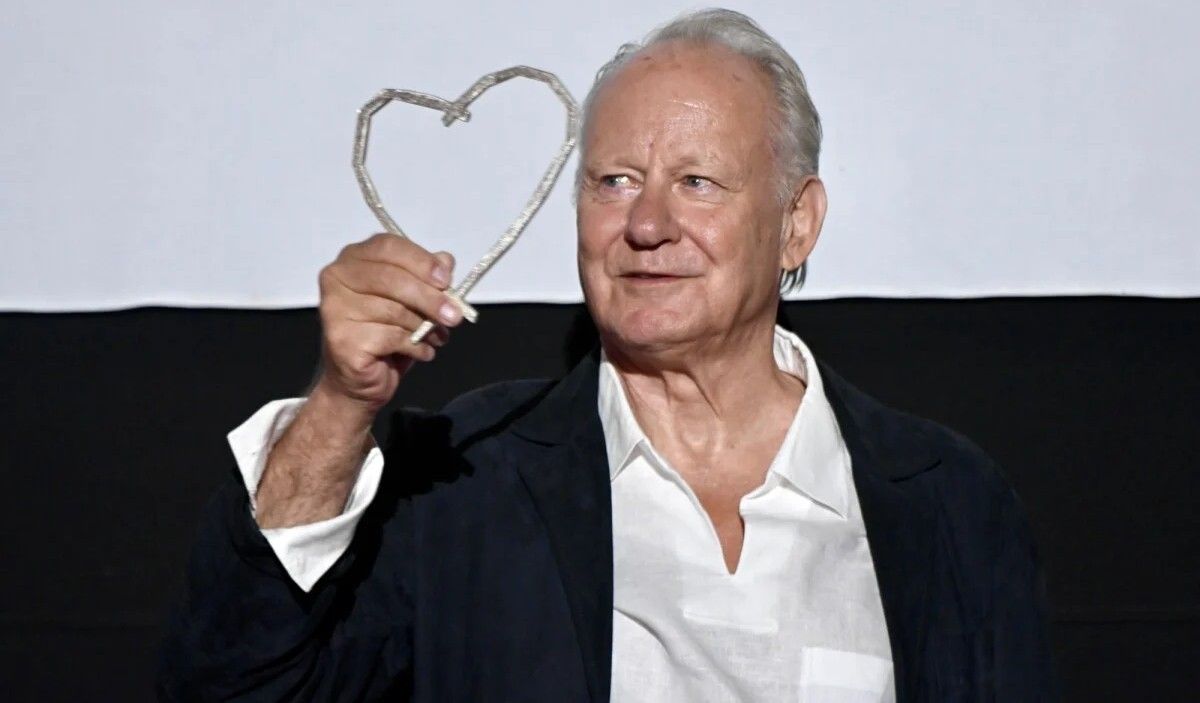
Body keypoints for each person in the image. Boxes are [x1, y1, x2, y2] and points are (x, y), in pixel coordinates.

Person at [158, 8, 1055, 702]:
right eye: (614, 181)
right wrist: (340, 406)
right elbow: (234, 687)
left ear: (797, 222)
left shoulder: (947, 503)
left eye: (696, 181)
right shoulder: (465, 480)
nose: (647, 224)